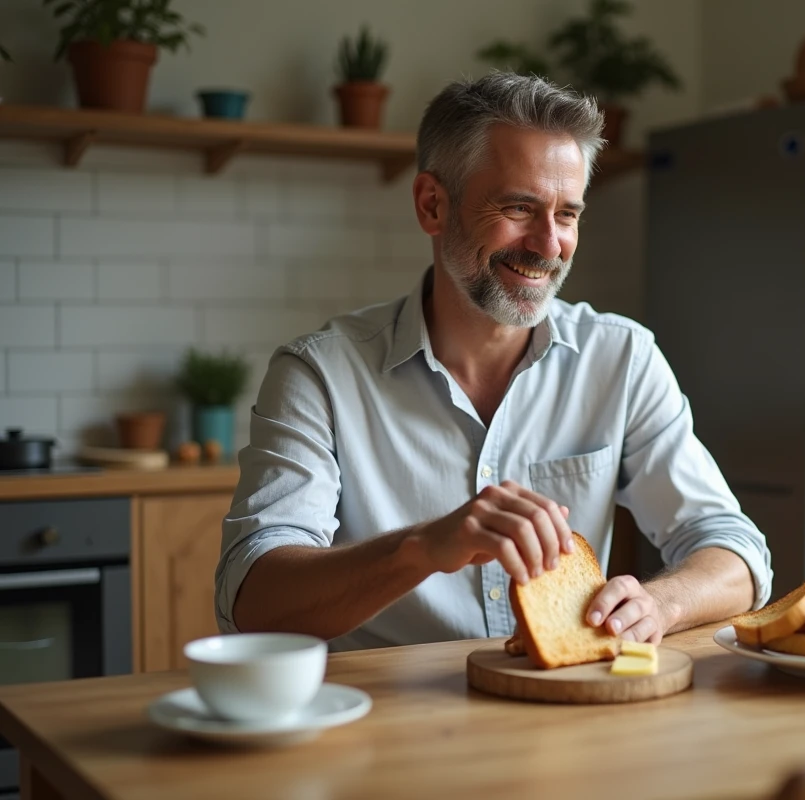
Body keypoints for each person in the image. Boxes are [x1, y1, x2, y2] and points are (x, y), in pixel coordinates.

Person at [215, 72, 772, 652]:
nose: (549, 245)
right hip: (381, 726)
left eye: (567, 214)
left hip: (567, 718)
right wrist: (426, 547)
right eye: (519, 207)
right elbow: (253, 598)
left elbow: (735, 550)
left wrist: (660, 603)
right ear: (433, 204)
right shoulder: (320, 376)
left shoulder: (621, 358)